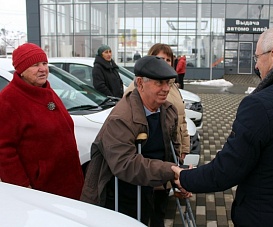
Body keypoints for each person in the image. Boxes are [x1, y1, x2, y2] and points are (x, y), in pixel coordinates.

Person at [172, 25, 273, 226]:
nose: (257, 66)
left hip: (263, 218)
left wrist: (187, 178)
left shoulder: (259, 105)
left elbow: (228, 170)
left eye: (257, 57)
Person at [81, 55, 190, 226]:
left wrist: (177, 179)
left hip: (154, 186)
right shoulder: (121, 118)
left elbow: (172, 150)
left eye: (168, 83)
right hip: (123, 192)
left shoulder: (168, 110)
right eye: (158, 83)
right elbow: (125, 164)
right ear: (140, 83)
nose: (166, 89)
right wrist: (171, 170)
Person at [0, 43, 84, 200]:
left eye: (45, 63)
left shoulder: (46, 90)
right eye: (35, 65)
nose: (43, 69)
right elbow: (4, 151)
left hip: (68, 182)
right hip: (41, 190)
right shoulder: (8, 100)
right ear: (21, 70)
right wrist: (23, 189)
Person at [124, 43, 190, 227]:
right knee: (146, 205)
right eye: (160, 59)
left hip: (169, 148)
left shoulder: (172, 85)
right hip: (150, 154)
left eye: (168, 60)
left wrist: (183, 147)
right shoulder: (136, 88)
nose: (165, 63)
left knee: (160, 204)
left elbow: (181, 119)